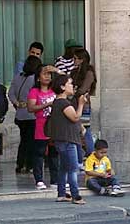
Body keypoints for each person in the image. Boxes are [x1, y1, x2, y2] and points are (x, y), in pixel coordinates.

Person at [49, 74, 87, 204]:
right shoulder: (63, 103)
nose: (72, 86)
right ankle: (76, 195)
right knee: (72, 168)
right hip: (68, 140)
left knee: (64, 168)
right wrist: (81, 104)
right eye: (69, 83)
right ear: (62, 87)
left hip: (61, 139)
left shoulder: (57, 102)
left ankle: (61, 193)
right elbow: (75, 117)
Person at [28, 65, 59, 190]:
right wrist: (47, 104)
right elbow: (31, 108)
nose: (47, 76)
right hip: (41, 124)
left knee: (54, 153)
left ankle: (55, 180)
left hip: (54, 125)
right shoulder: (34, 91)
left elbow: (67, 81)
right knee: (39, 153)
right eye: (44, 74)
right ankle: (39, 179)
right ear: (38, 77)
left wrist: (57, 70)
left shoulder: (55, 90)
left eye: (49, 74)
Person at [9, 55, 42, 174]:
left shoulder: (18, 77)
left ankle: (20, 163)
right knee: (32, 141)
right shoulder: (35, 79)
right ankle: (29, 164)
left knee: (24, 140)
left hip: (20, 114)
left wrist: (17, 103)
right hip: (32, 114)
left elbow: (11, 93)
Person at [70, 49, 97, 159]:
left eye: (76, 58)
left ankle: (89, 152)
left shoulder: (89, 72)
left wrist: (74, 92)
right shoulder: (74, 72)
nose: (74, 60)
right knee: (77, 128)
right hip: (73, 103)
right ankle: (81, 154)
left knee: (85, 128)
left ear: (82, 60)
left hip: (83, 104)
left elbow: (83, 89)